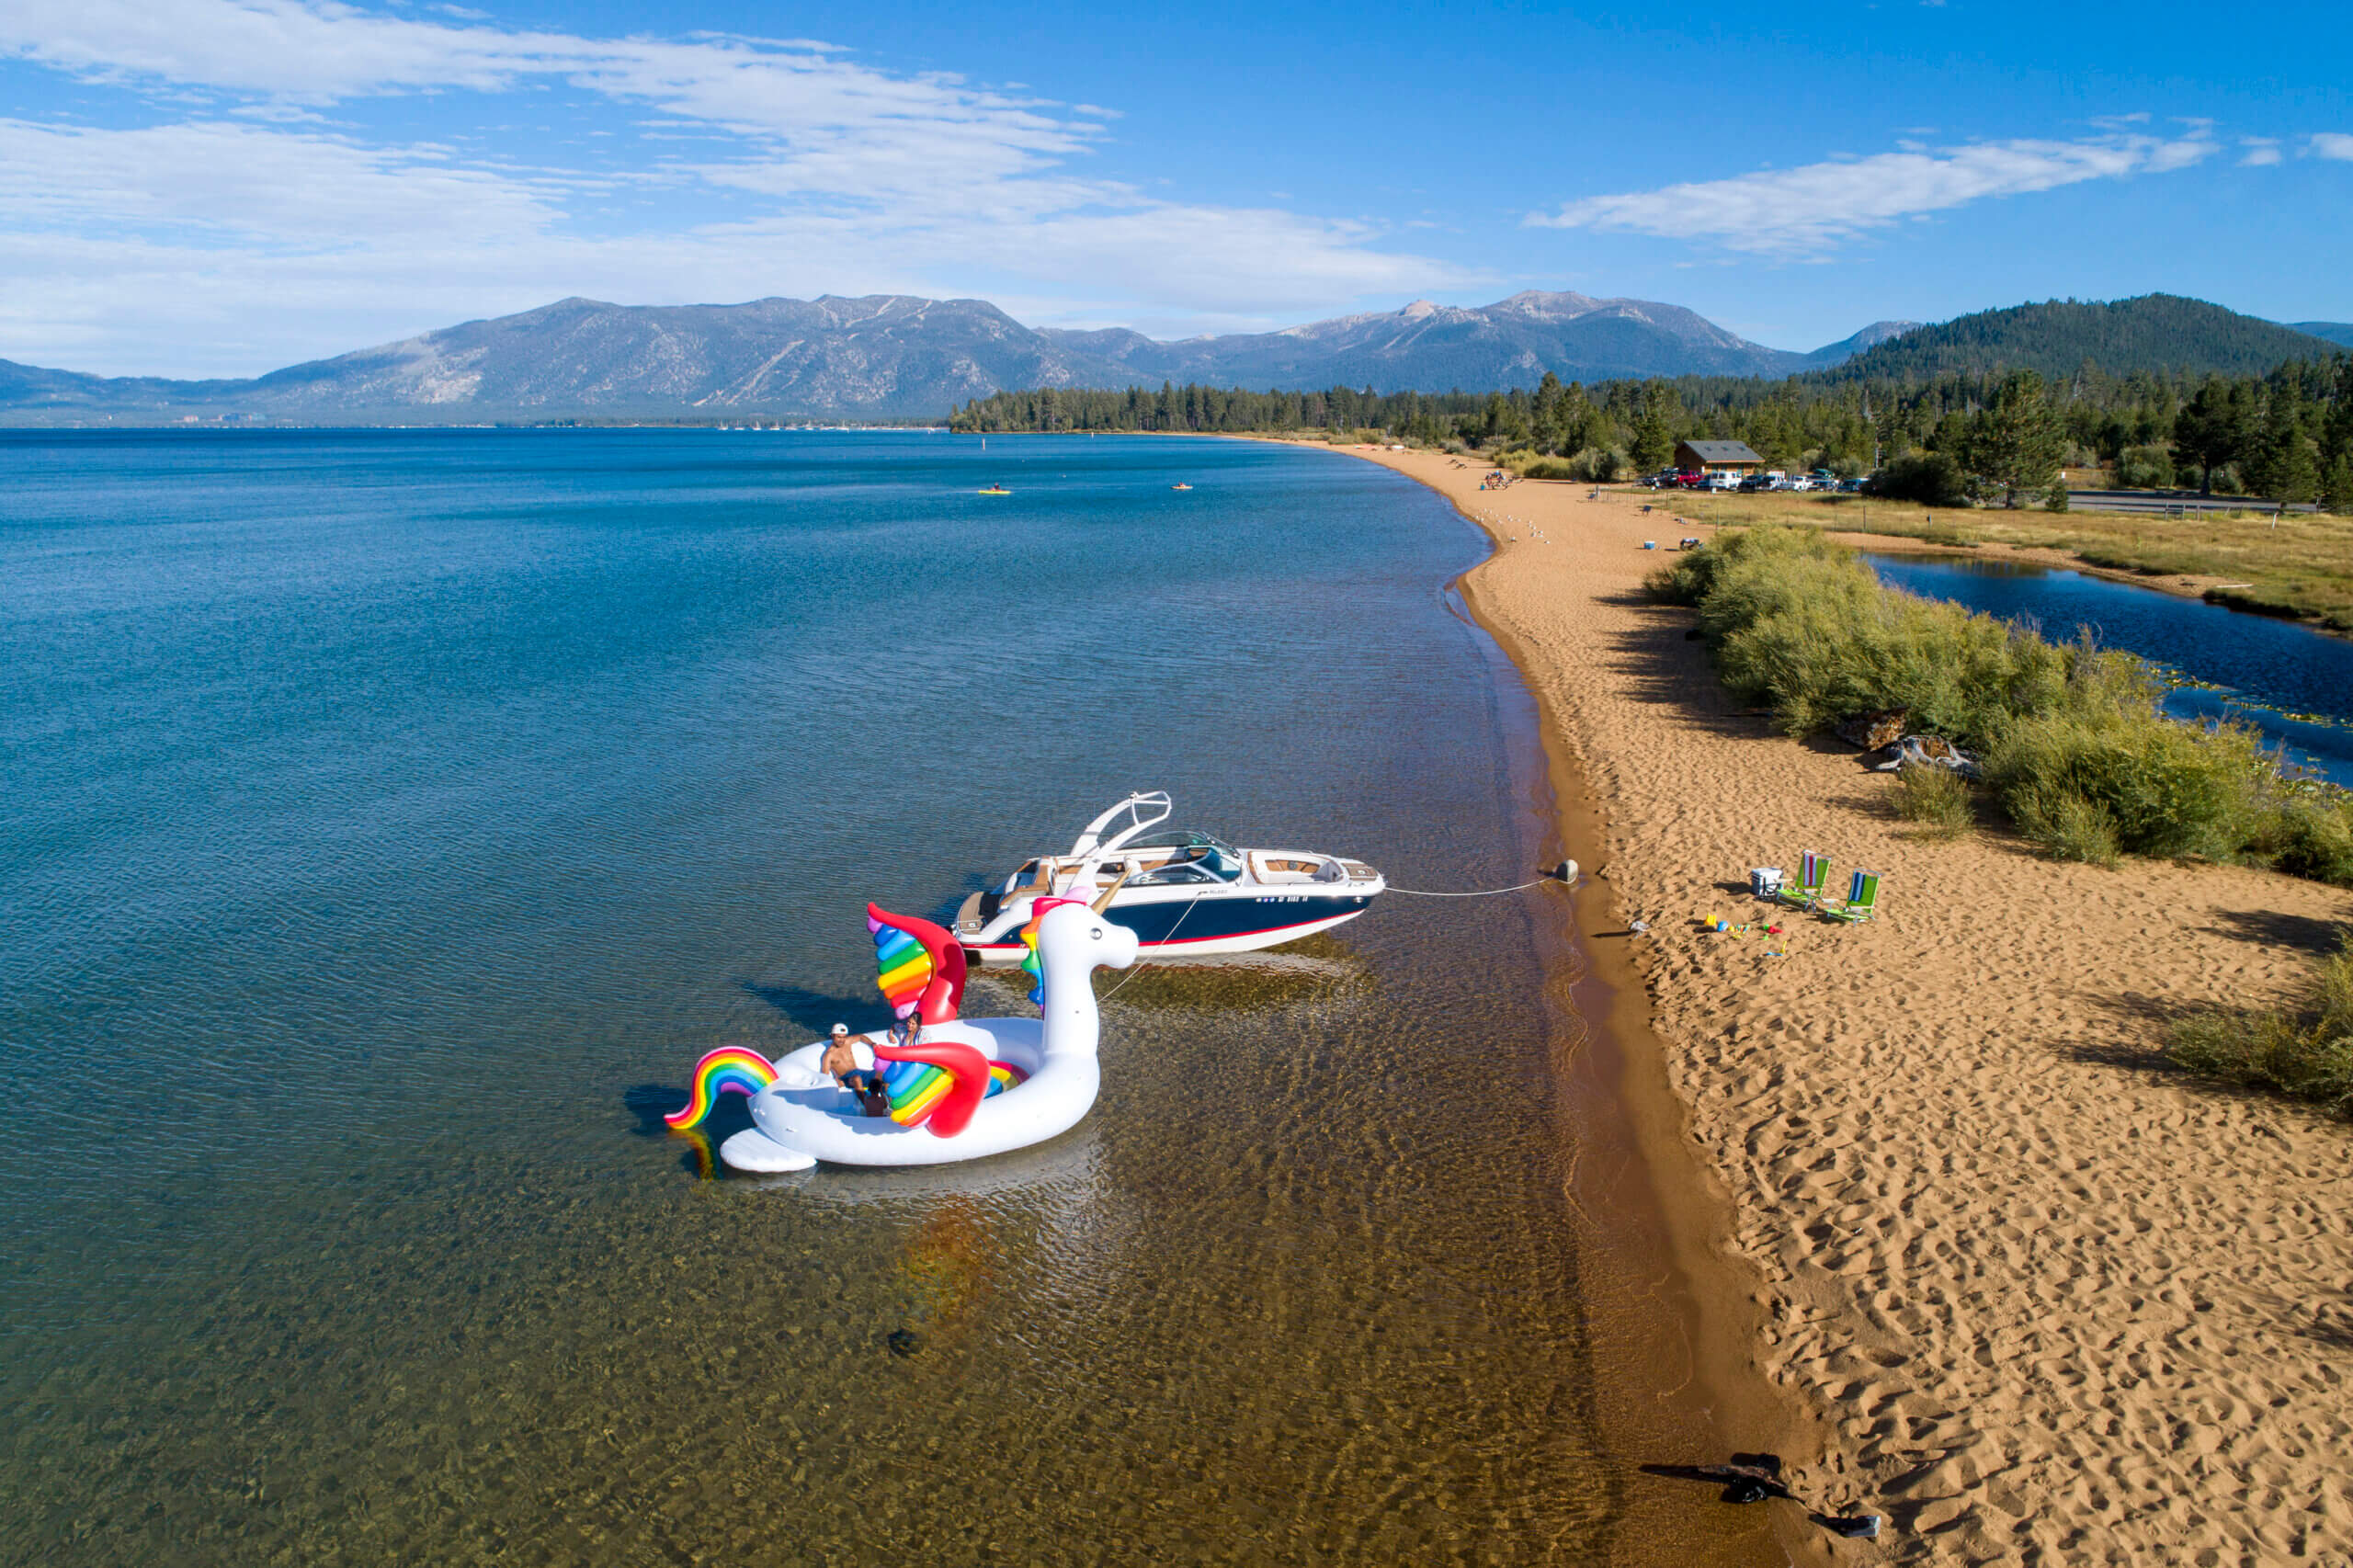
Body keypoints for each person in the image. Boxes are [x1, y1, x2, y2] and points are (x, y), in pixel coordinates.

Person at [820, 1023, 891, 1117]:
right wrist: (836, 1082)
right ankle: (868, 1106)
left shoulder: (847, 1042)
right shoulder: (829, 1055)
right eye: (839, 1037)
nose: (842, 1040)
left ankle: (889, 1106)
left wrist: (872, 1044)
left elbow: (860, 1037)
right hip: (847, 1078)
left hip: (859, 1072)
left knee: (883, 1073)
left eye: (844, 1037)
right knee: (857, 1079)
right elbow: (824, 1075)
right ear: (832, 1036)